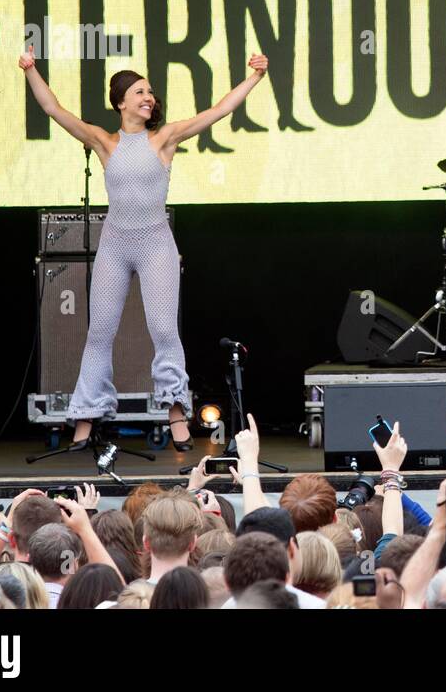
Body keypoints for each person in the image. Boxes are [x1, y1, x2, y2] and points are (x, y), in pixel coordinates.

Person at [19, 47, 269, 449]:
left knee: (163, 329)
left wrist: (254, 78)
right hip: (115, 245)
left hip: (155, 243)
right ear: (121, 102)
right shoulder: (104, 142)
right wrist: (31, 69)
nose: (148, 97)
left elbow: (217, 111)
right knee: (99, 332)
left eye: (150, 92)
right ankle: (86, 416)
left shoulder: (164, 139)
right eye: (139, 92)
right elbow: (54, 109)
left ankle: (175, 413)